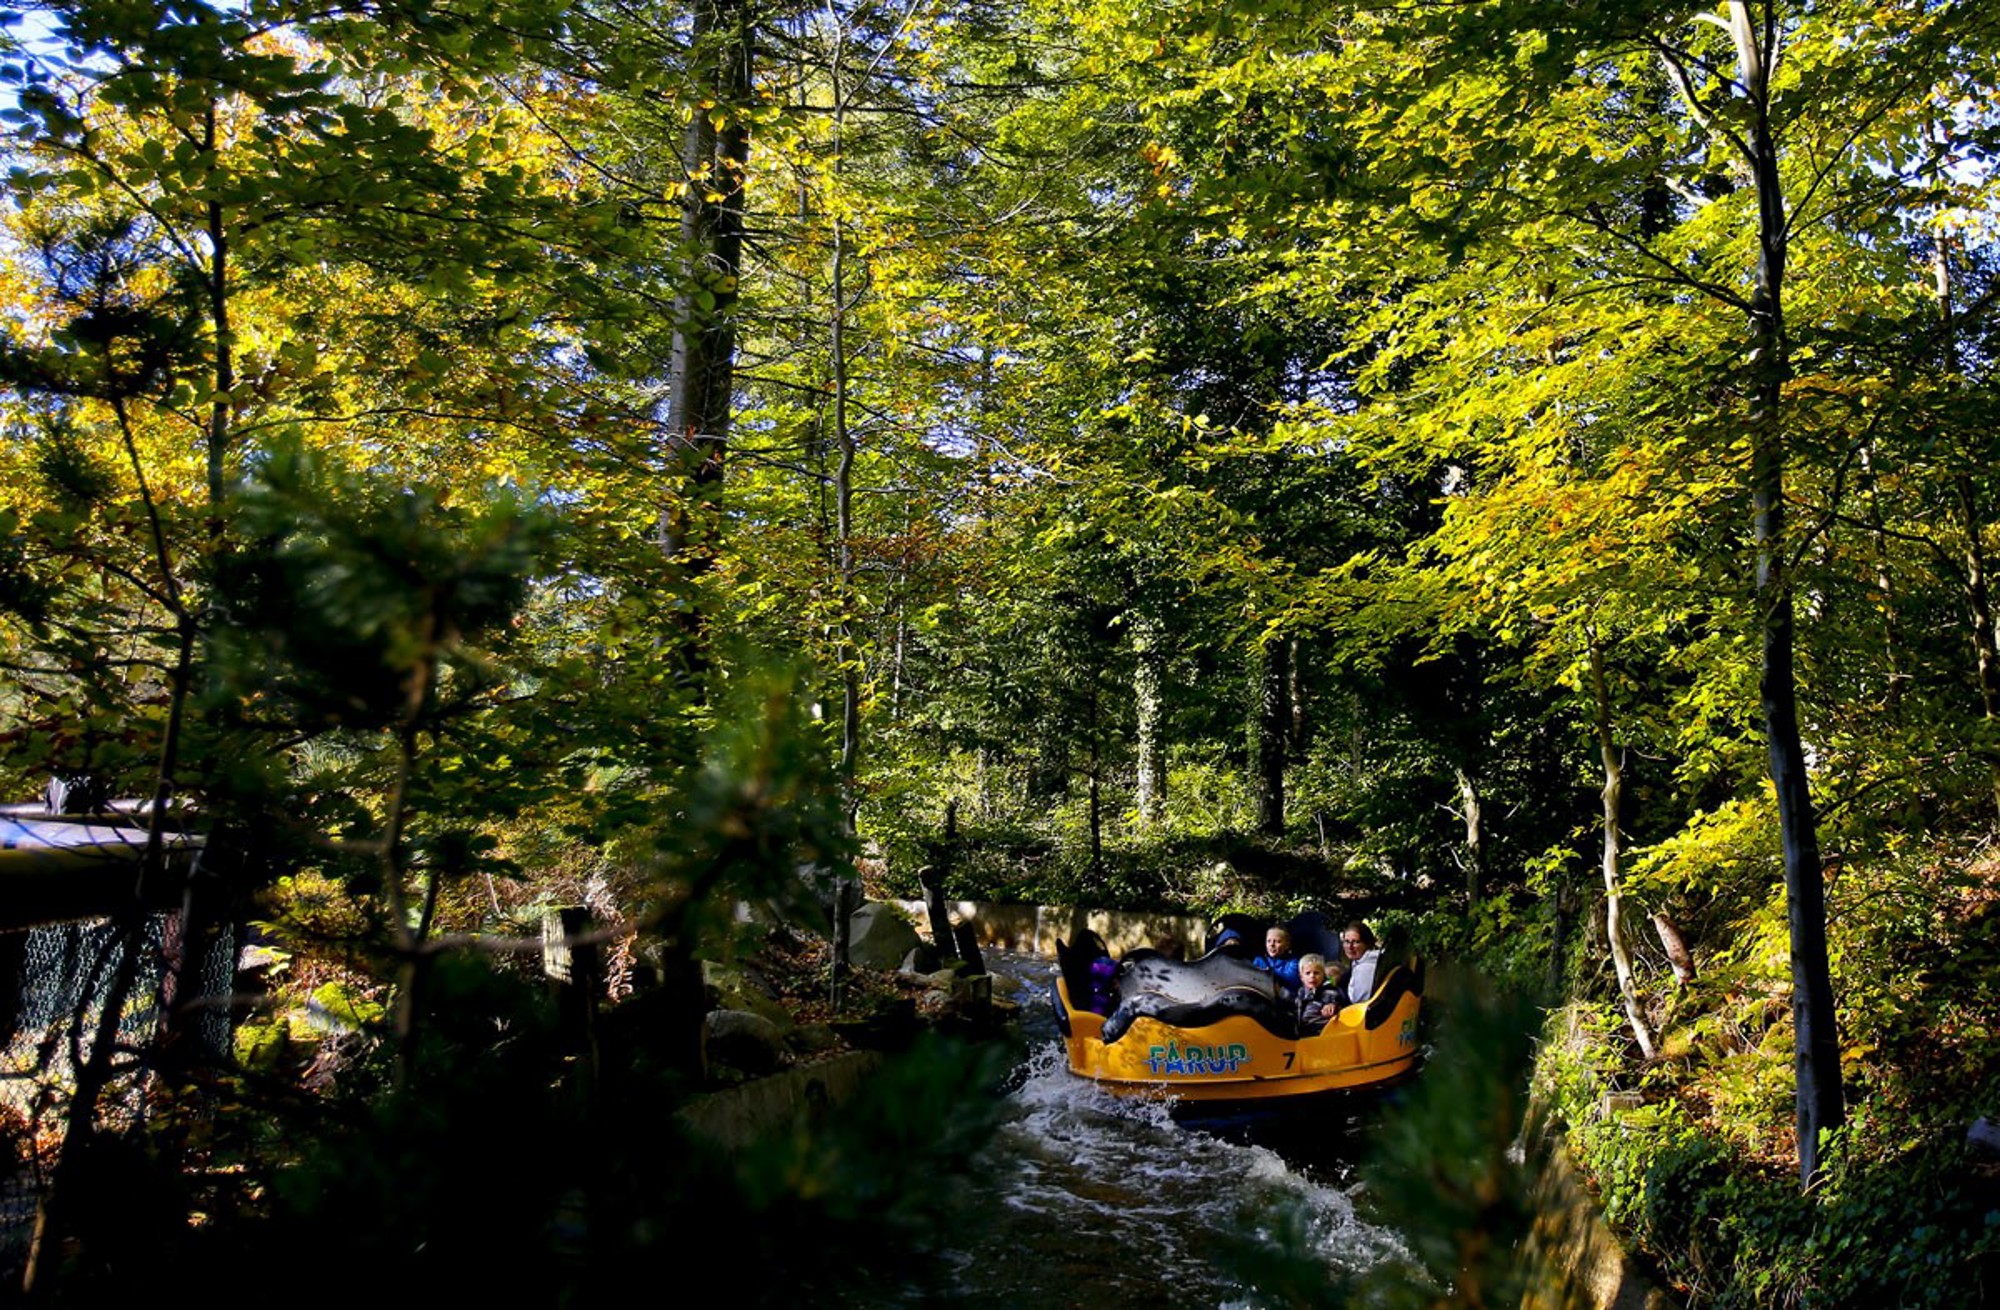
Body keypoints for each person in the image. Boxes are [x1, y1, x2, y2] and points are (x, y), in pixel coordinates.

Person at [1336, 921, 1382, 1006]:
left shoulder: (1365, 968)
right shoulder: (1358, 962)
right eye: (1347, 941)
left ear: (1367, 944)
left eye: (1356, 942)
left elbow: (1359, 1001)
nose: (1350, 947)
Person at [1294, 953, 1341, 1035]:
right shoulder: (1300, 993)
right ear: (1301, 977)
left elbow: (1339, 1001)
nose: (1312, 976)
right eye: (1308, 973)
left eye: (1316, 973)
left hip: (1322, 1033)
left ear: (1323, 975)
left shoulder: (1330, 992)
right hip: (1303, 1033)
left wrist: (1333, 1005)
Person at [1252, 924, 1302, 995]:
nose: (1272, 944)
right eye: (1269, 941)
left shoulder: (1293, 962)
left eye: (1277, 941)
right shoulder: (1259, 960)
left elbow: (1292, 980)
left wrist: (1270, 972)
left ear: (1287, 945)